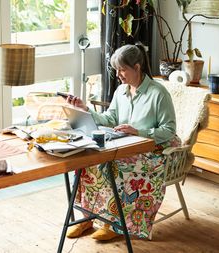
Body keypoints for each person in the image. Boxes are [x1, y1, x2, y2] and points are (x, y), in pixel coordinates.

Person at [64, 43, 180, 240]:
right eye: (116, 70)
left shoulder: (158, 94)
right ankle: (87, 218)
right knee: (85, 161)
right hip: (126, 144)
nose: (118, 75)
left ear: (137, 67)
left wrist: (138, 131)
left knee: (112, 167)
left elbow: (169, 130)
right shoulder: (121, 91)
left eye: (122, 69)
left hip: (154, 150)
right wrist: (85, 109)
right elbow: (110, 119)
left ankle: (111, 223)